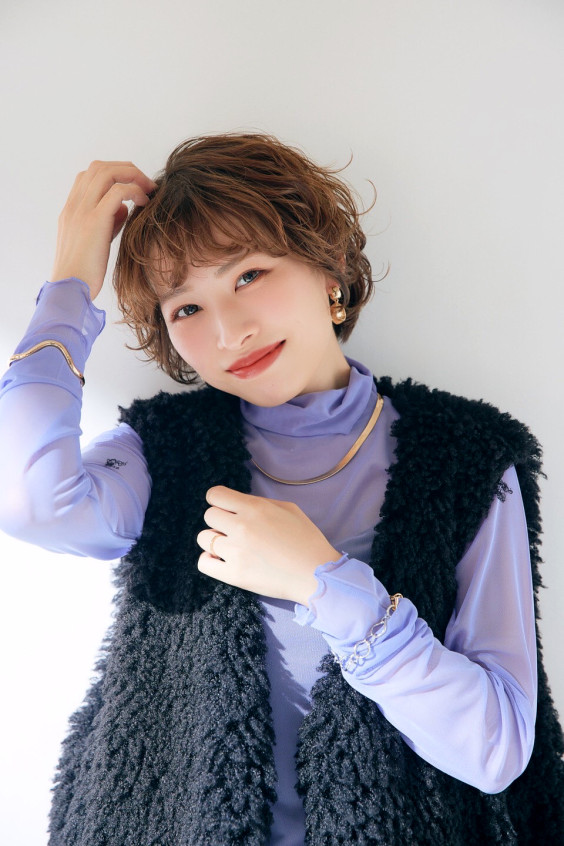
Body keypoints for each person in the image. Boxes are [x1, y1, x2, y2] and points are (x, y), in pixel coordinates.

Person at [0, 133, 563, 846]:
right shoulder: (163, 451)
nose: (230, 331)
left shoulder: (464, 459)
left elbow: (497, 748)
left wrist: (327, 584)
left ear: (328, 271)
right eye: (186, 309)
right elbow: (28, 502)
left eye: (248, 276)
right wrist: (68, 284)